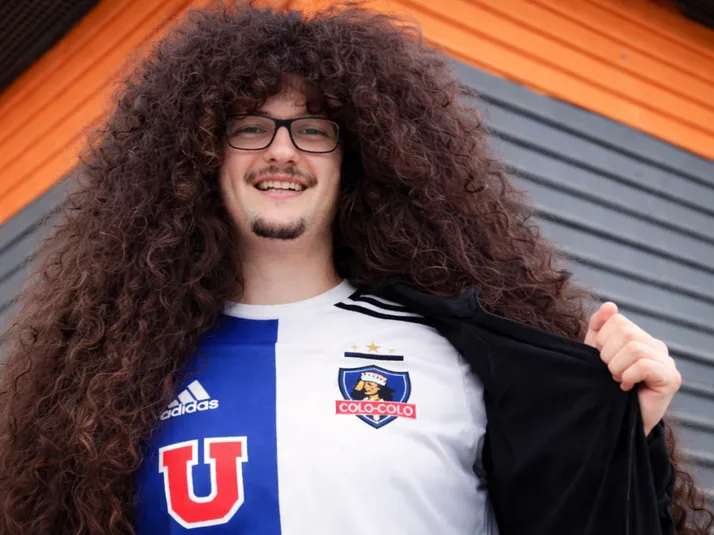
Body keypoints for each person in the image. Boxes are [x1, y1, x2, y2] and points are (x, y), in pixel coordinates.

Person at [0, 2, 711, 534]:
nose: (282, 151)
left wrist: (622, 436)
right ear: (202, 157)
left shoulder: (461, 356)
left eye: (313, 129)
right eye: (250, 127)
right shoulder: (111, 386)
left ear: (355, 159)